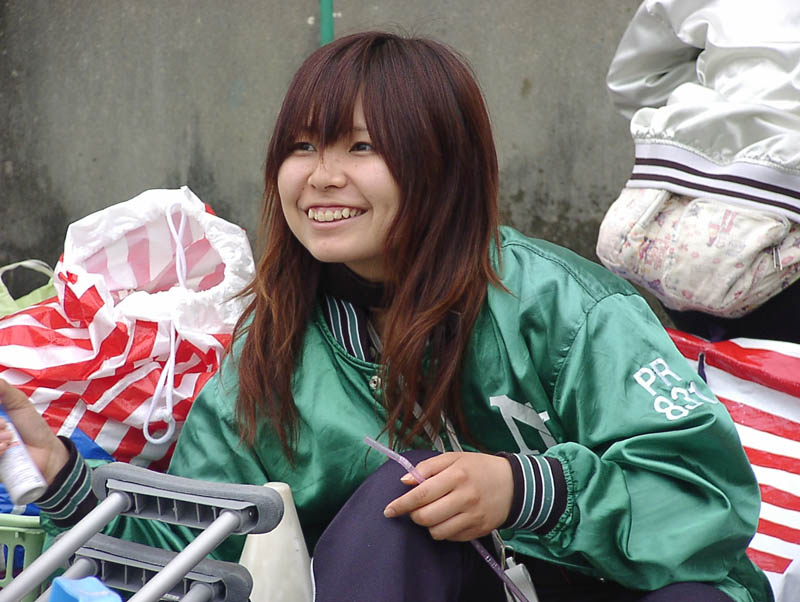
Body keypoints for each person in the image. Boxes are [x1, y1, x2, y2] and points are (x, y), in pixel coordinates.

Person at [0, 31, 772, 602]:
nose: (321, 176)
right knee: (397, 504)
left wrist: (528, 488)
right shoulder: (273, 347)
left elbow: (709, 498)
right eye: (303, 146)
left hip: (629, 589)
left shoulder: (565, 306)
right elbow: (203, 546)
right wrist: (64, 480)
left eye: (362, 147)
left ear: (442, 163)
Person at [598, 0, 800, 343]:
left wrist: (715, 107)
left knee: (710, 365)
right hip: (784, 215)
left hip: (666, 217)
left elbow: (634, 82)